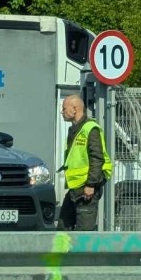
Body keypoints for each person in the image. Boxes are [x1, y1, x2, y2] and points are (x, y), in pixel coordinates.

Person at [58, 94, 112, 231]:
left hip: (87, 189)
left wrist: (90, 185)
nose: (62, 112)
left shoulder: (90, 128)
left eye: (64, 108)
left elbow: (97, 158)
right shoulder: (75, 129)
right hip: (75, 189)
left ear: (74, 109)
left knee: (84, 232)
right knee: (63, 229)